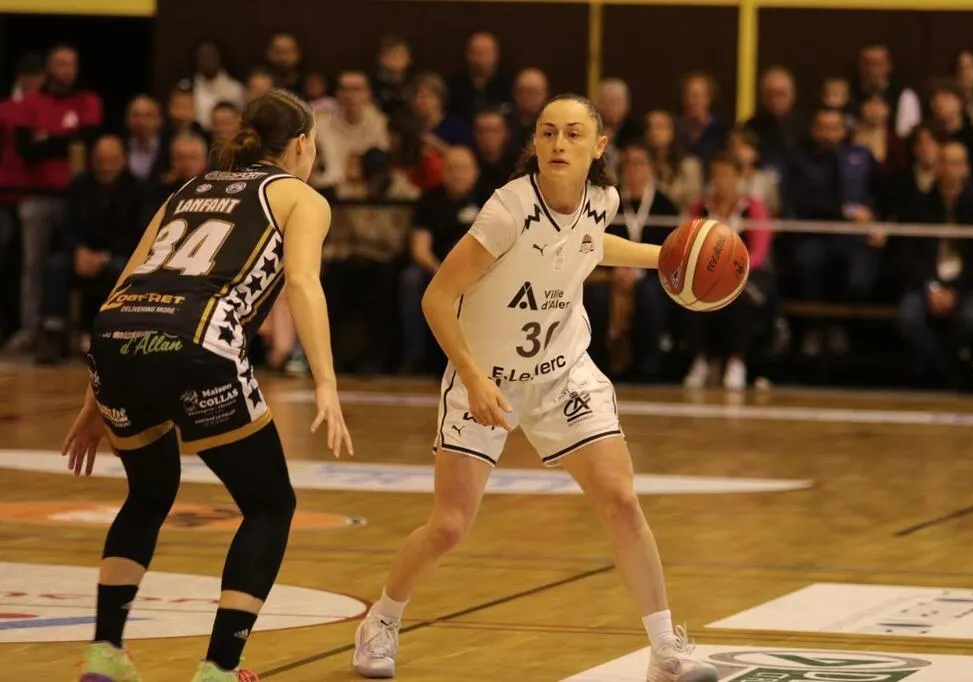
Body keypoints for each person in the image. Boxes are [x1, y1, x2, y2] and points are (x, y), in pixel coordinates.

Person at [351, 93, 719, 682]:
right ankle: (382, 619)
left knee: (622, 501)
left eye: (573, 134)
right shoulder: (508, 211)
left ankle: (665, 651)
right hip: (486, 378)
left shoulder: (603, 200)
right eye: (547, 133)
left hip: (561, 372)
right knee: (450, 525)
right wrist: (472, 378)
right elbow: (437, 298)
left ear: (599, 146)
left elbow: (589, 243)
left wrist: (669, 259)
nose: (558, 144)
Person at [62, 88, 353, 682]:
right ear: (302, 144)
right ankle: (219, 668)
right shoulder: (301, 196)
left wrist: (96, 394)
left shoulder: (188, 190)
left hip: (115, 337)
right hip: (195, 340)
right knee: (270, 505)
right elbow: (303, 282)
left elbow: (124, 285)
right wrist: (326, 381)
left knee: (149, 493)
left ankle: (105, 654)